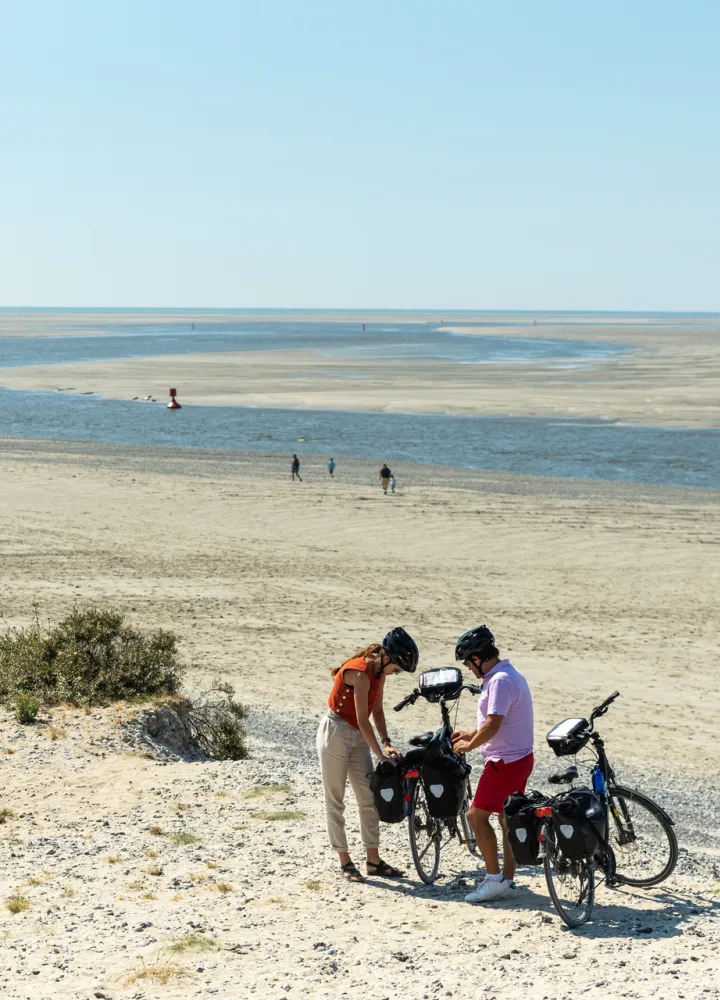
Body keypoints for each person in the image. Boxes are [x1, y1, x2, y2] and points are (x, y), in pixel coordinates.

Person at [316, 627, 419, 883]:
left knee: (369, 797)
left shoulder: (379, 673)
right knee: (335, 799)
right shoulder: (360, 673)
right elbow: (363, 720)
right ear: (386, 657)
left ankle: (373, 860)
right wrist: (381, 756)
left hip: (357, 733)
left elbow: (378, 712)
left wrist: (386, 743)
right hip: (336, 732)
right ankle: (345, 860)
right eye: (397, 668)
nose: (396, 673)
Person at [451, 625, 534, 903]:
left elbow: (494, 724)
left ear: (477, 658)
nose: (469, 669)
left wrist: (469, 745)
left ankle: (493, 878)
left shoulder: (499, 680)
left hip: (504, 762)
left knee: (475, 816)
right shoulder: (508, 674)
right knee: (505, 817)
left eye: (468, 663)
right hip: (520, 758)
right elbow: (494, 721)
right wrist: (471, 734)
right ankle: (507, 881)